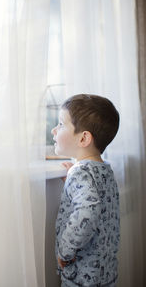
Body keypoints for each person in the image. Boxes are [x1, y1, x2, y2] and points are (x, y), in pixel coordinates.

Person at [51, 94, 120, 287]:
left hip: (81, 276)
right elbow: (98, 202)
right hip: (107, 272)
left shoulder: (81, 173)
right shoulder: (104, 169)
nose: (53, 130)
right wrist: (70, 182)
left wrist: (65, 251)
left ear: (84, 138)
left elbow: (87, 213)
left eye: (61, 124)